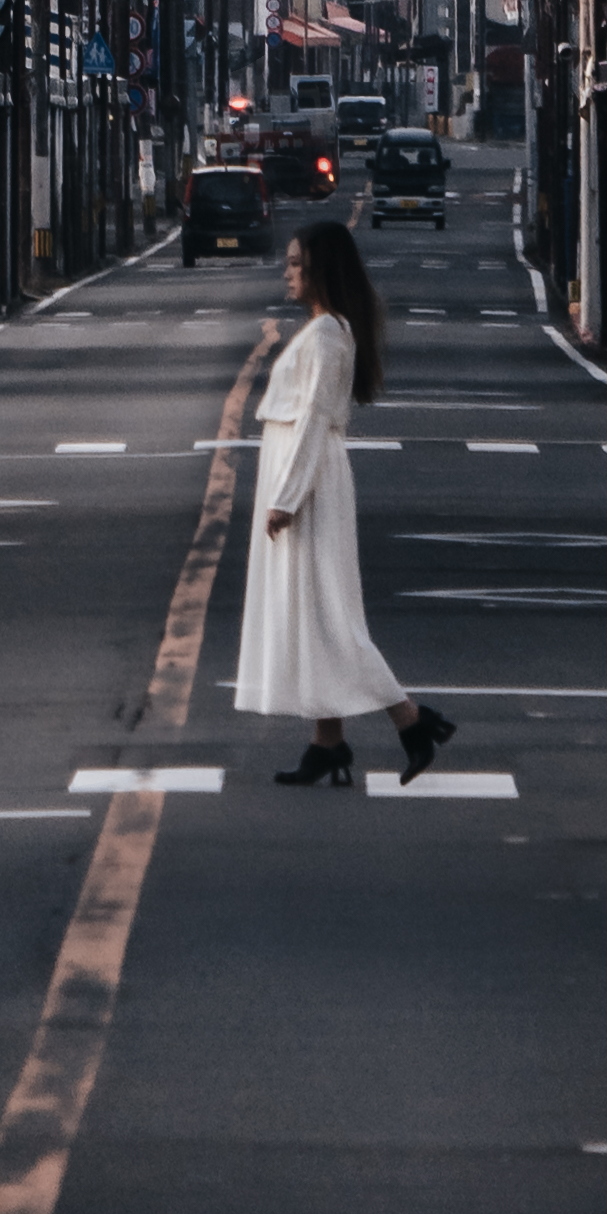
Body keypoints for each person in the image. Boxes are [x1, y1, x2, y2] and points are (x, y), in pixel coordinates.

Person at [235, 219, 452, 791]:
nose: (287, 273)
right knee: (313, 613)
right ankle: (327, 745)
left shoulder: (329, 334)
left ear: (320, 270)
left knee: (331, 614)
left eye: (296, 264)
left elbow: (311, 422)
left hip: (309, 484)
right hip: (302, 477)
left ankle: (411, 719)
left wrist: (285, 499)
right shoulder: (321, 330)